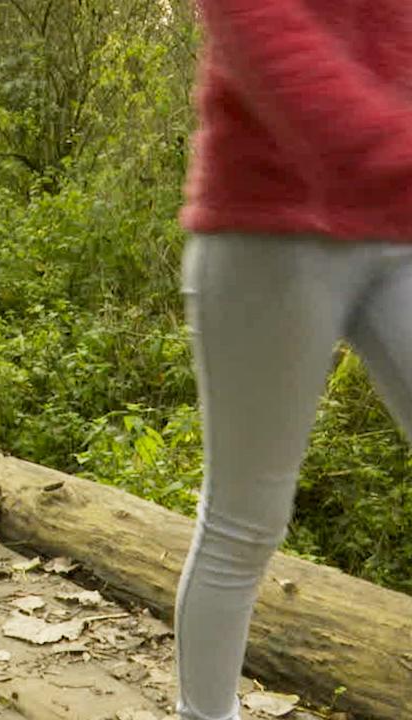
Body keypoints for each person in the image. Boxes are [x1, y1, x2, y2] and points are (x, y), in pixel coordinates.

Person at [174, 3, 412, 720]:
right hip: (268, 226)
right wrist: (392, 156)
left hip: (401, 227)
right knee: (245, 521)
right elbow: (260, 28)